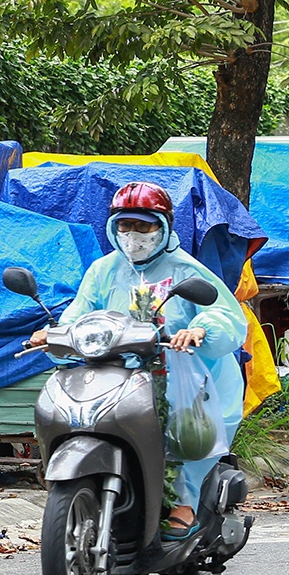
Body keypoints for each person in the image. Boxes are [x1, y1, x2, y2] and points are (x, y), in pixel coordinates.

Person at [30, 181, 248, 539]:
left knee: (185, 432)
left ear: (163, 226)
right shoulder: (103, 270)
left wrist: (200, 330)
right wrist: (55, 333)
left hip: (181, 373)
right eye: (124, 225)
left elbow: (223, 313)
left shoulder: (184, 269)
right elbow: (80, 313)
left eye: (143, 226)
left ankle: (185, 501)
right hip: (116, 373)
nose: (133, 235)